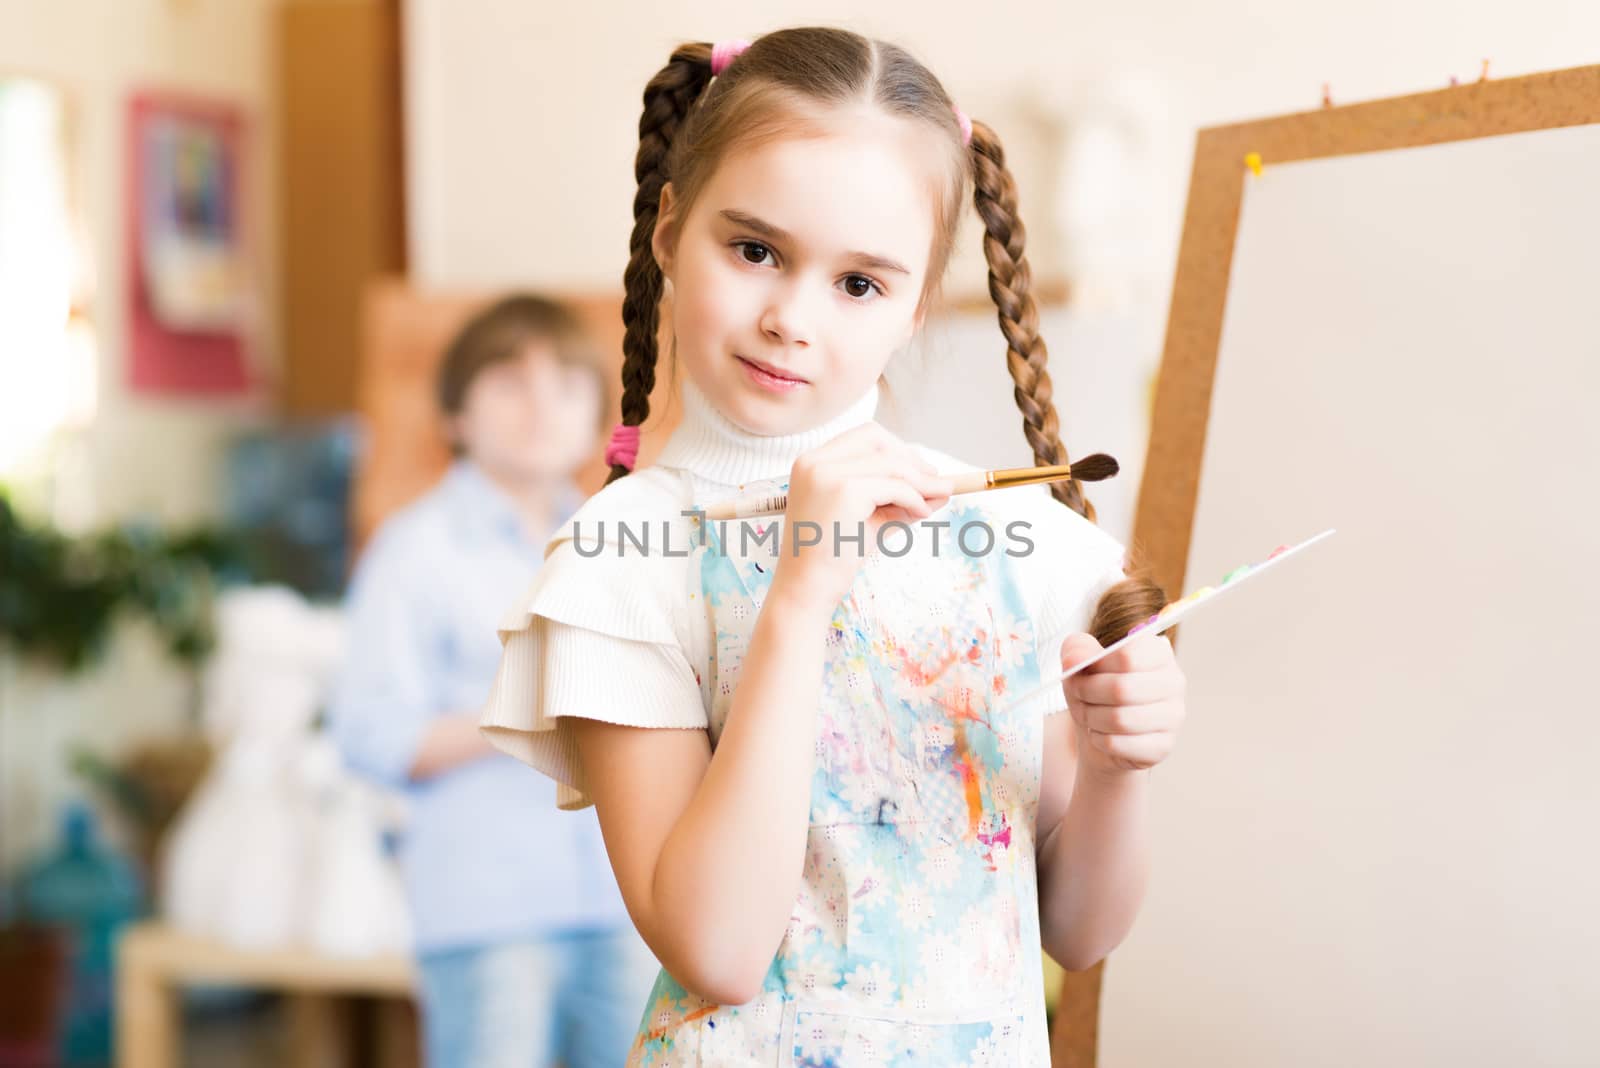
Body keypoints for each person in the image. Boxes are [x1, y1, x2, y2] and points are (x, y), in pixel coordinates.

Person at [479, 29, 1188, 1065]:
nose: (789, 319)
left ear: (913, 310)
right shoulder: (620, 560)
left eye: (858, 284)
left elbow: (1080, 935)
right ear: (670, 233)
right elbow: (716, 947)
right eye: (754, 249)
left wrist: (1122, 767)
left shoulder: (1013, 548)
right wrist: (800, 595)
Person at [330, 295, 656, 1067]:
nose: (541, 405)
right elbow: (371, 737)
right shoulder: (413, 551)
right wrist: (531, 702)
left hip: (628, 899)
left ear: (597, 416)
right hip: (487, 914)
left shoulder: (622, 536)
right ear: (454, 415)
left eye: (567, 384)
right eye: (510, 381)